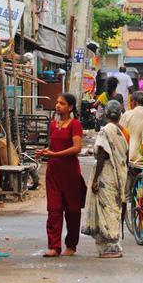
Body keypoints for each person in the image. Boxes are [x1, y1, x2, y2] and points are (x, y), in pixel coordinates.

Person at [36, 93, 86, 257]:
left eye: (62, 103)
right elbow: (52, 147)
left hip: (70, 172)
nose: (57, 106)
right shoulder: (52, 125)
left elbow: (77, 148)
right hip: (53, 172)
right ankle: (54, 246)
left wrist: (55, 154)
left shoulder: (75, 125)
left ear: (70, 107)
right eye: (57, 103)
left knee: (72, 210)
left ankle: (71, 245)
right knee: (54, 209)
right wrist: (44, 152)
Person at [82, 100, 129, 258]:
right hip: (120, 174)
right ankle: (110, 244)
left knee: (107, 208)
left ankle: (112, 246)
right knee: (115, 207)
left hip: (107, 174)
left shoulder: (105, 131)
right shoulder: (123, 132)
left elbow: (102, 155)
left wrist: (95, 179)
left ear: (106, 114)